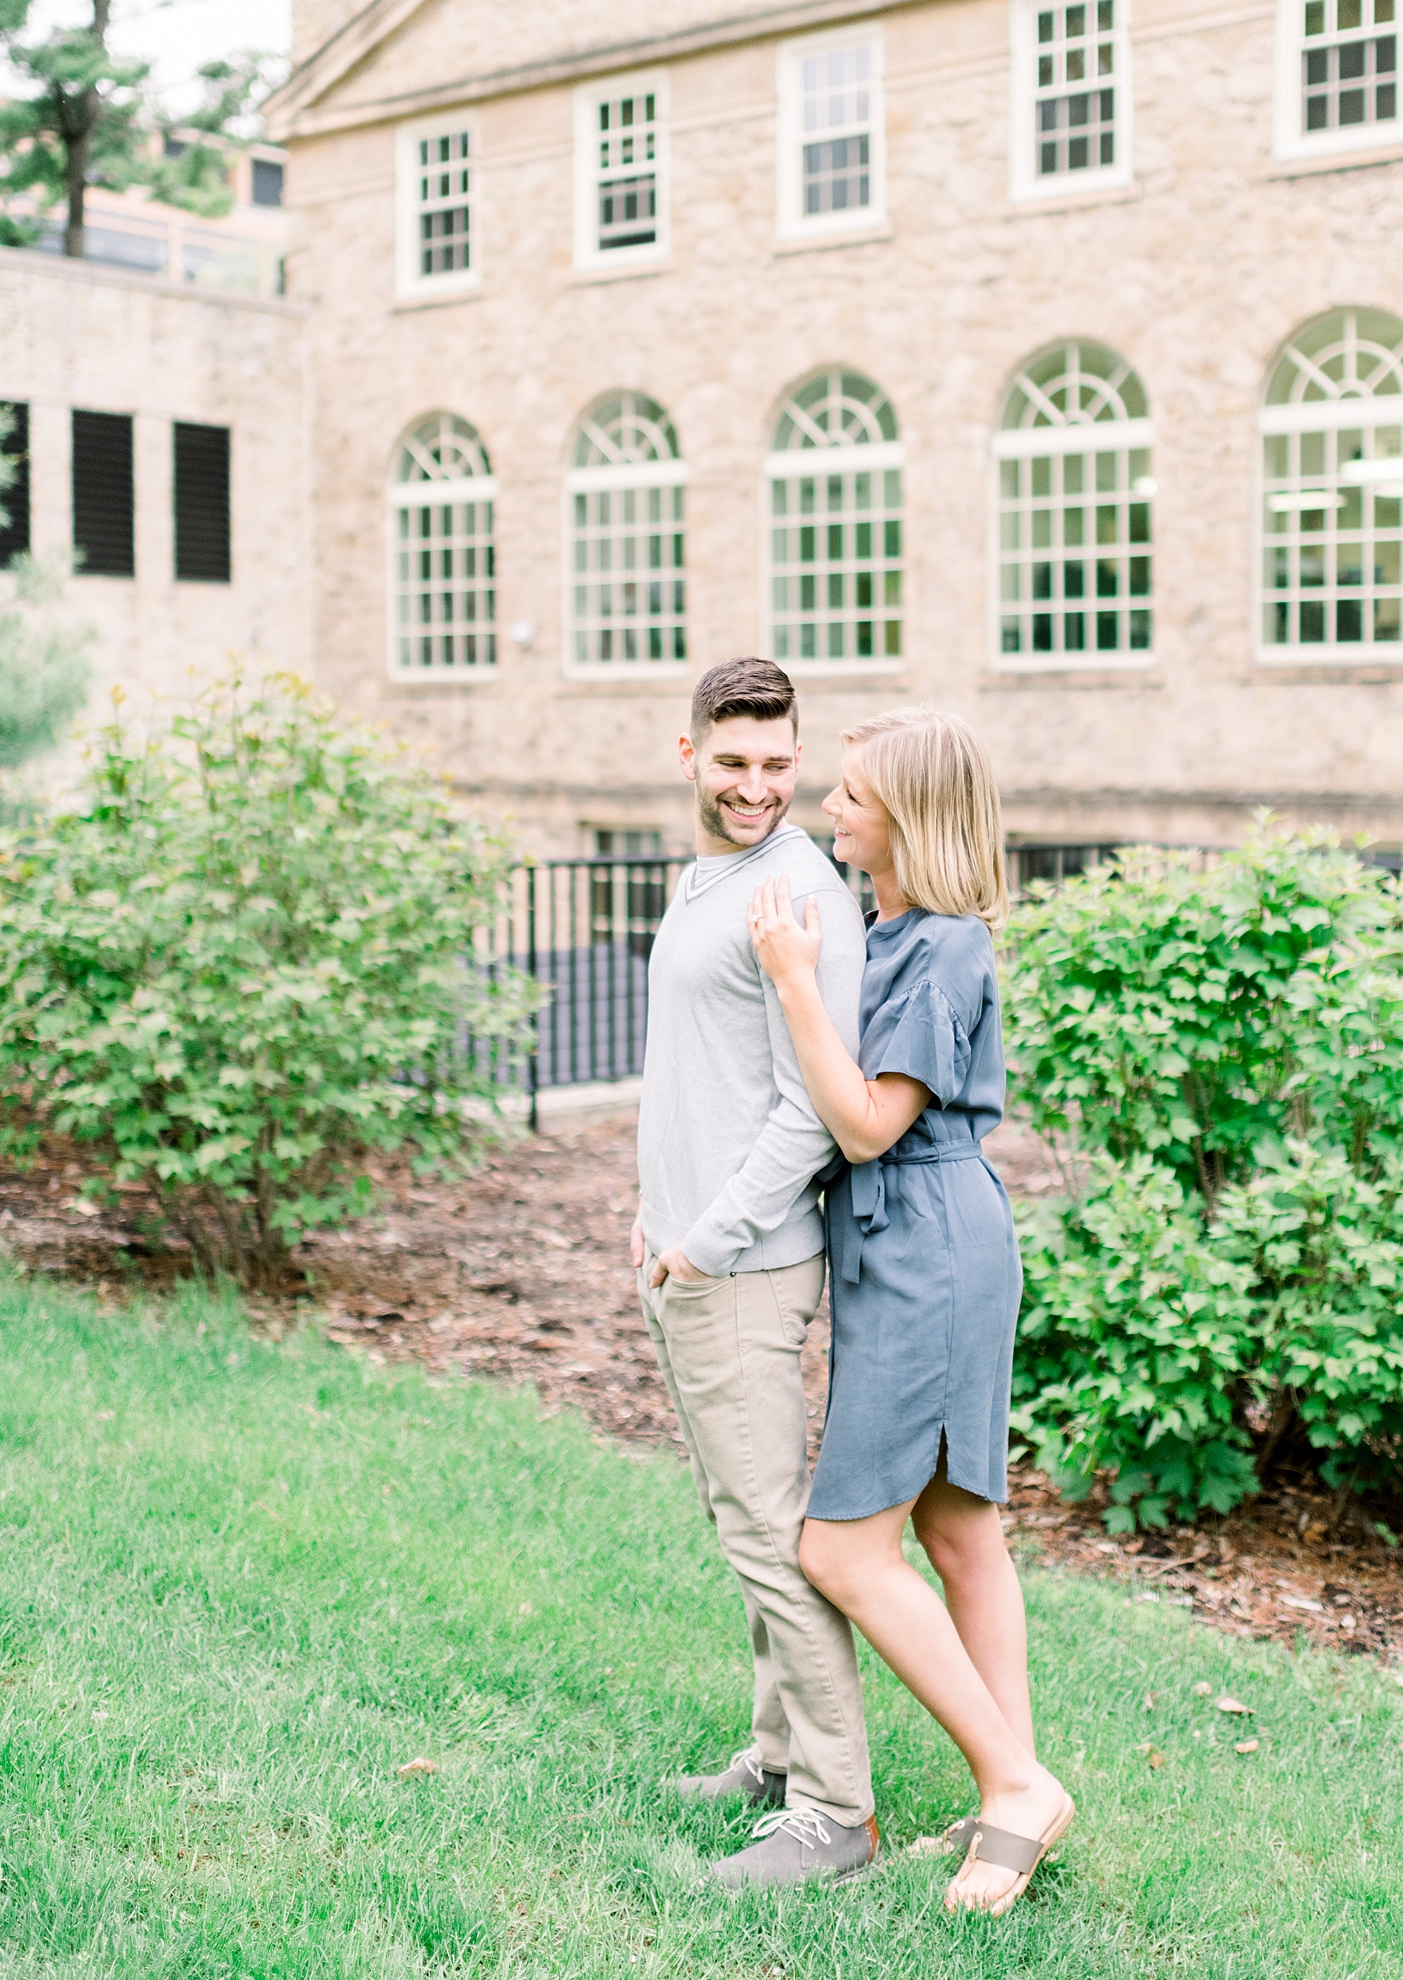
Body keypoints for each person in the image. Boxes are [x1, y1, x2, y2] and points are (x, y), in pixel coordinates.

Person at [747, 707, 1074, 1919]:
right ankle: (1014, 1794)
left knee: (841, 1549)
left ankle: (1014, 1781)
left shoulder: (943, 946)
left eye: (850, 796)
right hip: (923, 1244)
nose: (830, 810)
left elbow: (871, 1123)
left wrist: (791, 983)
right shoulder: (888, 925)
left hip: (929, 1245)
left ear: (911, 818)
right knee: (958, 1533)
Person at [631, 656, 879, 1889]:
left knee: (775, 1544)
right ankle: (779, 1760)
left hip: (743, 1270)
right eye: (734, 762)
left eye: (779, 765)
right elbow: (696, 1072)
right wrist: (650, 1215)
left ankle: (836, 1812)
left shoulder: (799, 892)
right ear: (691, 755)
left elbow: (810, 1115)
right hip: (685, 1255)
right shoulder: (713, 873)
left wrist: (700, 1242)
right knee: (747, 1526)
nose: (758, 786)